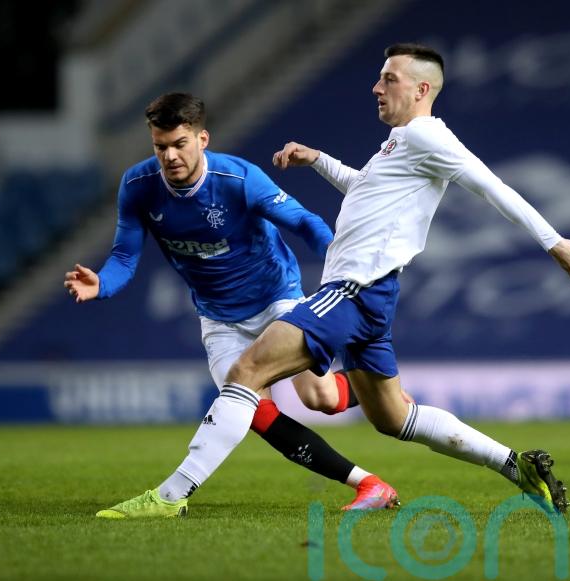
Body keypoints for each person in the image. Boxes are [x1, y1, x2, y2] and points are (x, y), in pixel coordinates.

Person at [117, 44, 570, 518]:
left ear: (421, 88)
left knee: (246, 374)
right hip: (373, 298)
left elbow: (491, 185)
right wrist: (318, 159)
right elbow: (365, 187)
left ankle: (170, 496)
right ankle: (518, 467)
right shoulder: (404, 142)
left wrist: (555, 242)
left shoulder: (428, 136)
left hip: (352, 291)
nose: (376, 87)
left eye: (389, 79)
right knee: (395, 418)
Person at [64, 92, 402, 519]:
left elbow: (303, 221)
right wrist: (103, 283)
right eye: (160, 146)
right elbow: (126, 256)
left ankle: (381, 388)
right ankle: (367, 483)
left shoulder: (240, 179)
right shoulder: (137, 187)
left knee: (320, 397)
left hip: (276, 298)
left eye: (179, 144)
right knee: (252, 410)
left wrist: (340, 265)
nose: (169, 156)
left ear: (202, 138)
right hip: (218, 316)